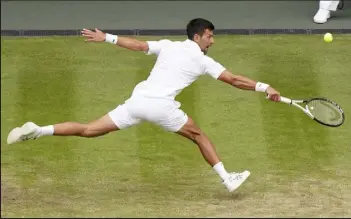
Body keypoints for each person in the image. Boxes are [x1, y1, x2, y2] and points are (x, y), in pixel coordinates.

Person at [6, 18, 281, 193]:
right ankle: (227, 179)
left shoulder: (168, 45)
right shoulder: (203, 60)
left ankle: (38, 130)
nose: (212, 40)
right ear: (197, 37)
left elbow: (137, 45)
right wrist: (264, 87)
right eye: (209, 36)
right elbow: (232, 79)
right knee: (198, 136)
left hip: (137, 102)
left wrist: (108, 38)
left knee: (90, 129)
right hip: (161, 107)